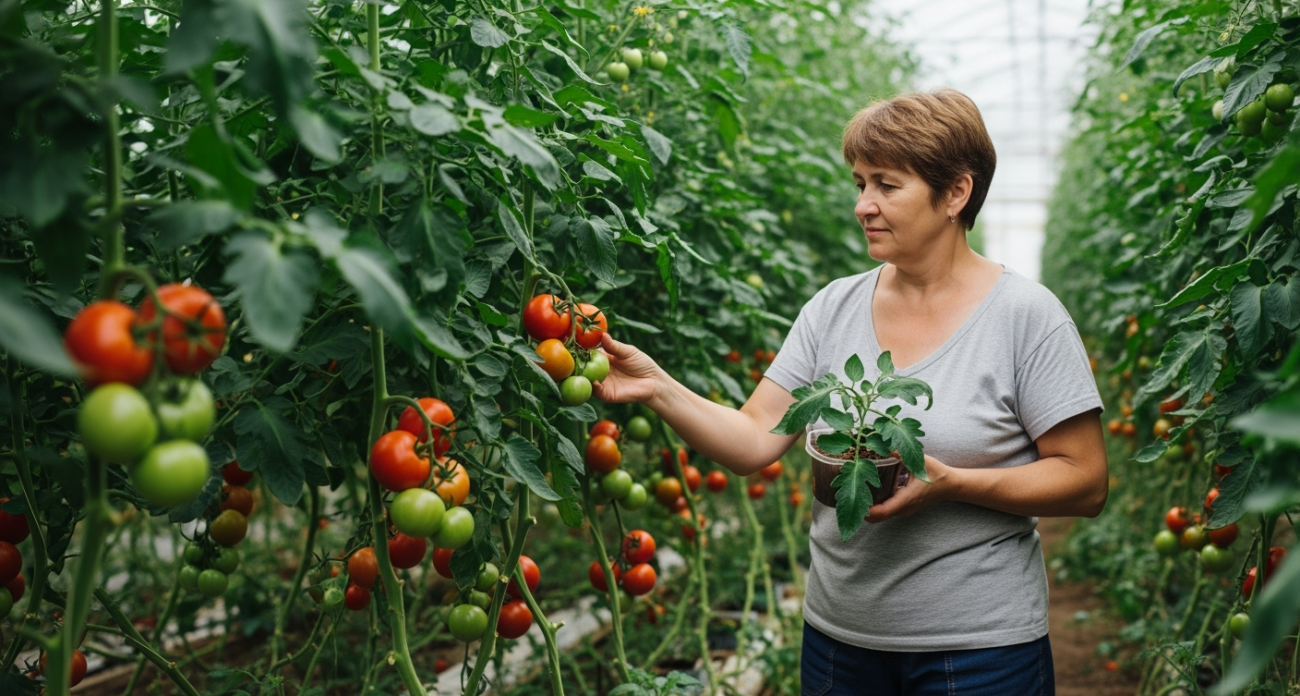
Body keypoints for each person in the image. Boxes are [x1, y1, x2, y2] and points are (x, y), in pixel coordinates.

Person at [592, 88, 1107, 695]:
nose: (864, 205)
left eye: (887, 185)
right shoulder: (832, 307)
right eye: (860, 183)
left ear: (956, 194)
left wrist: (955, 484)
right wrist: (656, 387)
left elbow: (1085, 480)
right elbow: (754, 438)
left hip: (981, 653)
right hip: (839, 644)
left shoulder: (1026, 316)